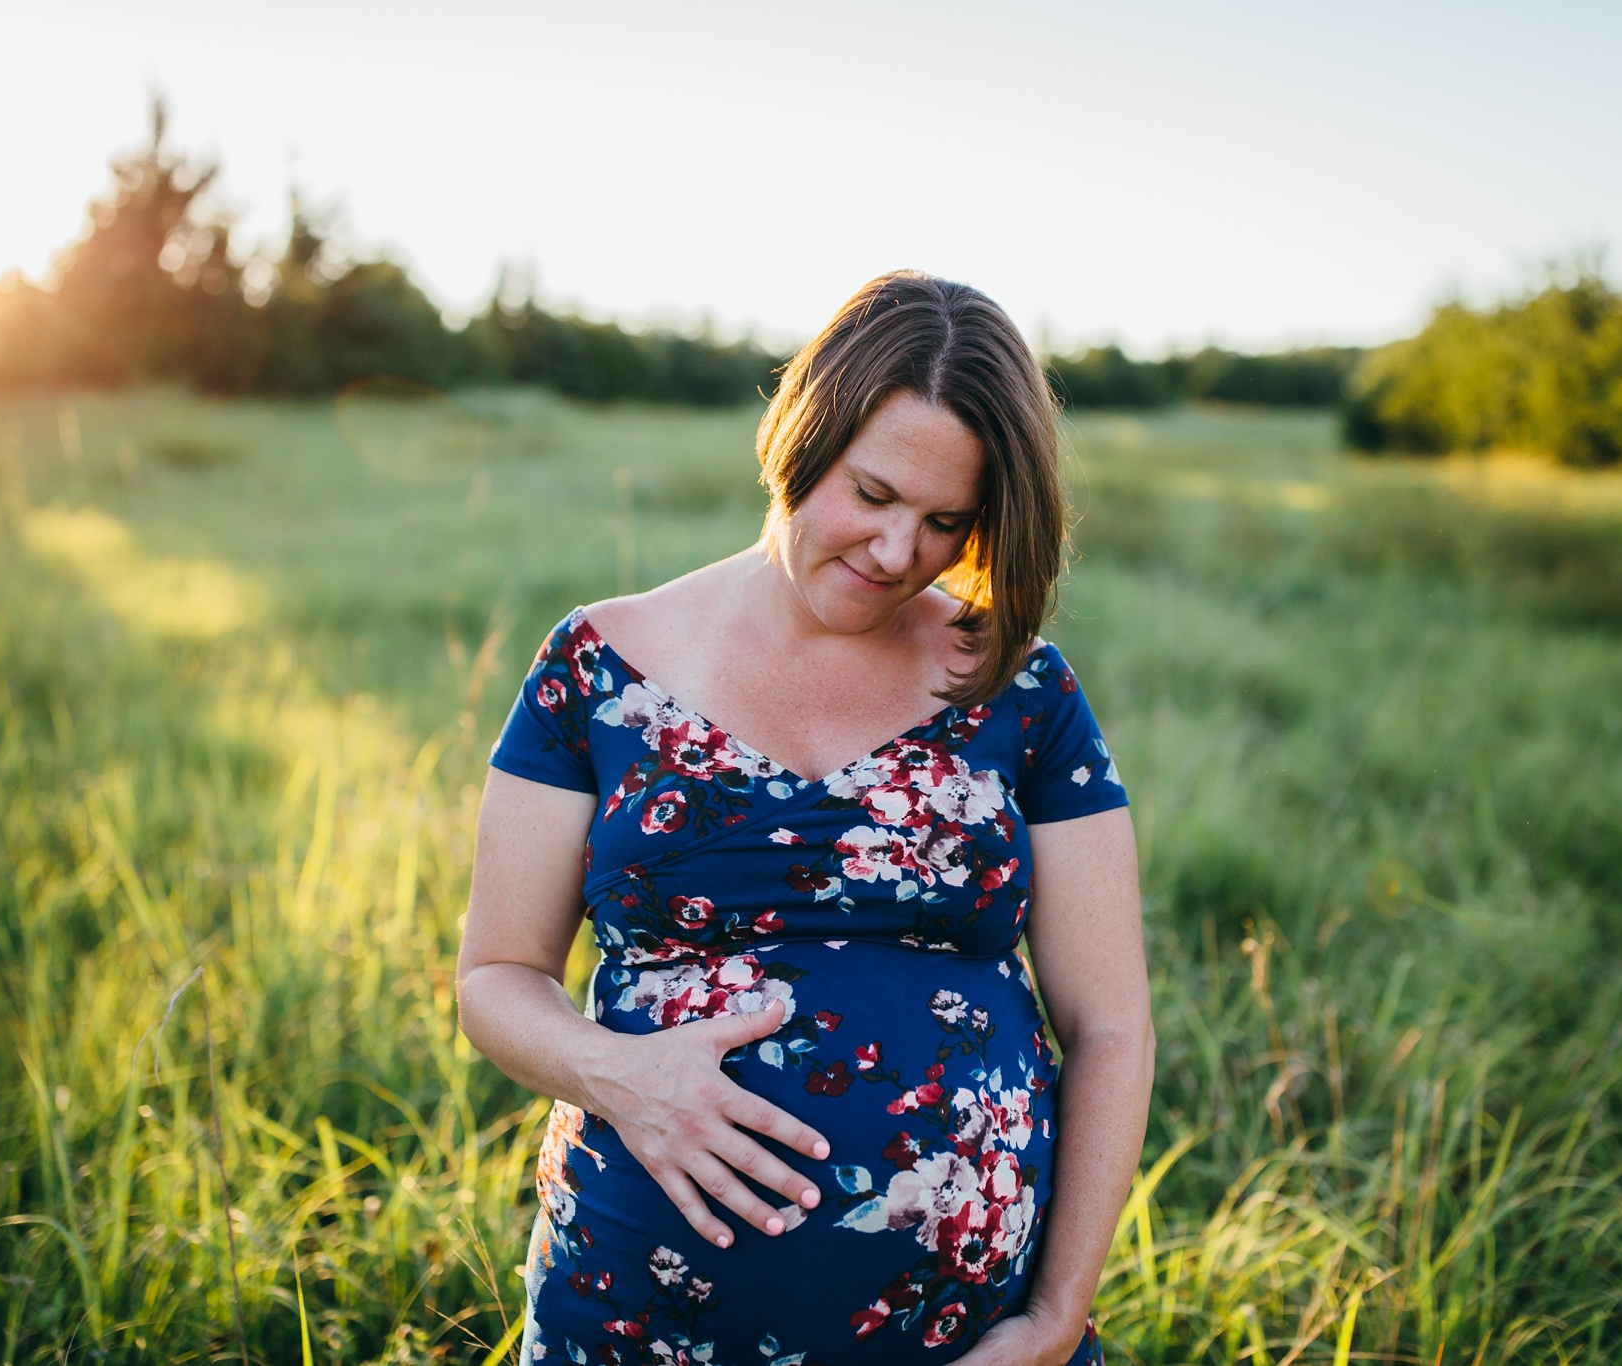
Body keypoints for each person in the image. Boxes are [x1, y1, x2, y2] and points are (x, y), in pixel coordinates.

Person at [456, 271, 1153, 1365]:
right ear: (799, 432)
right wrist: (618, 1074)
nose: (894, 553)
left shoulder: (1020, 686)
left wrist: (1055, 1317)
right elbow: (494, 976)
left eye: (944, 522)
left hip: (966, 1338)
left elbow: (1110, 1026)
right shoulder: (595, 666)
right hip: (638, 1314)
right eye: (871, 495)